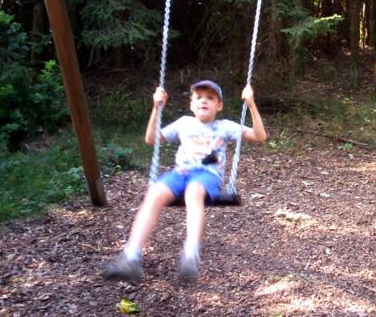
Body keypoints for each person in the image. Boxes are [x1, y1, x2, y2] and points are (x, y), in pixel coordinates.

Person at [104, 80, 267, 283]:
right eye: (198, 98)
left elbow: (259, 136)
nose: (203, 101)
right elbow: (151, 139)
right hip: (180, 173)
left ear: (219, 105)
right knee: (154, 193)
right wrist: (156, 107)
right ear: (191, 104)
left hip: (206, 176)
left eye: (210, 98)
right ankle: (131, 257)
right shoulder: (184, 123)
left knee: (194, 191)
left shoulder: (225, 126)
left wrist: (251, 104)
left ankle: (191, 254)